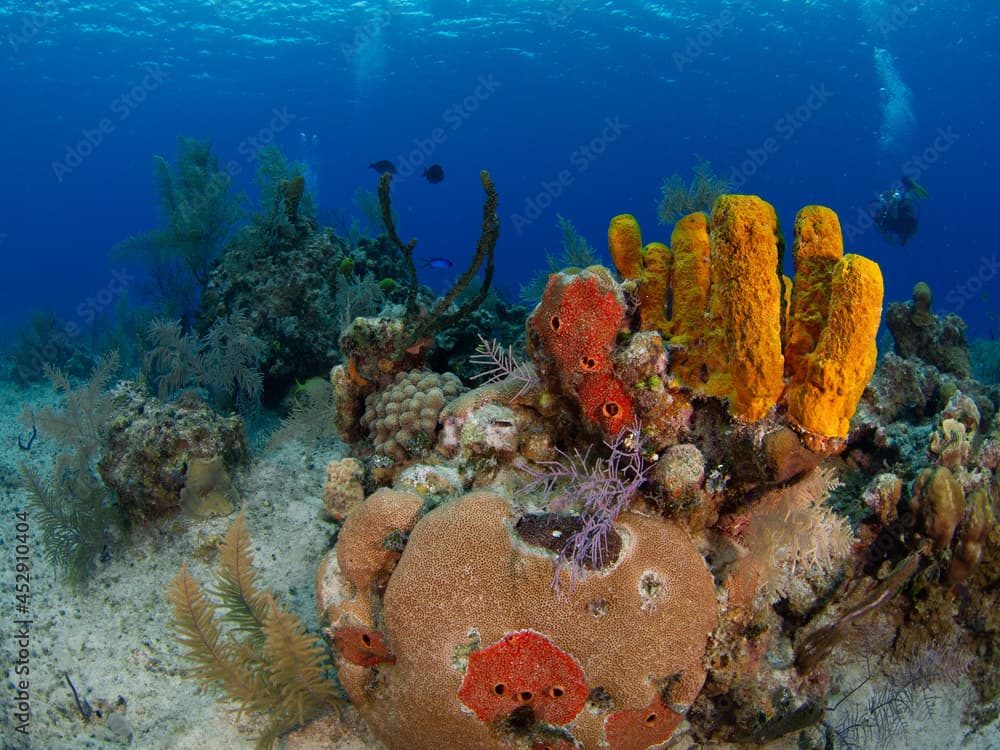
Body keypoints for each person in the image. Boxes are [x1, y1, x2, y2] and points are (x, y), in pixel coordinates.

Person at [871, 176, 928, 246]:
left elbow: (890, 239)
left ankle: (907, 188)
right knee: (906, 205)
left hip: (906, 223)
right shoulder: (884, 217)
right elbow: (888, 238)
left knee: (906, 205)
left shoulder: (894, 214)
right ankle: (907, 188)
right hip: (904, 224)